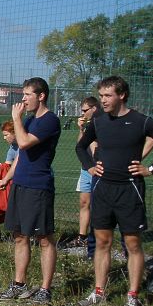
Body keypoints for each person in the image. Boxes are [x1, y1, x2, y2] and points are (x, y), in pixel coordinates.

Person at [75, 76, 153, 306]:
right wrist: (91, 166)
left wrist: (150, 169)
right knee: (102, 242)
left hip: (130, 190)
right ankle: (99, 291)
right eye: (101, 96)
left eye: (107, 96)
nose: (103, 100)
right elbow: (80, 147)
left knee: (132, 244)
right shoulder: (99, 122)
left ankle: (132, 296)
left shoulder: (141, 122)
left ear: (121, 95)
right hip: (102, 190)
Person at [0, 77, 61, 304]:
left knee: (44, 238)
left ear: (41, 96)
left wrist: (15, 119)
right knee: (19, 236)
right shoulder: (30, 120)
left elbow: (22, 143)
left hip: (38, 187)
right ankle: (19, 283)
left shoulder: (49, 121)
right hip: (20, 185)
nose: (22, 99)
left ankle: (45, 289)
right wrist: (6, 179)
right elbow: (20, 157)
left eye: (27, 95)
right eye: (23, 95)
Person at [69, 96, 101, 249]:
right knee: (84, 202)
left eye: (85, 110)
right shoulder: (88, 125)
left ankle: (97, 237)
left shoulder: (102, 122)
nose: (82, 114)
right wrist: (81, 129)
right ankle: (82, 237)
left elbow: (96, 148)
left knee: (98, 204)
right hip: (86, 168)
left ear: (94, 108)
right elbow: (80, 145)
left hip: (99, 170)